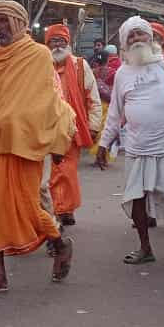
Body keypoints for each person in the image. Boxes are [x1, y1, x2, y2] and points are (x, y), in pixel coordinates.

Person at [0, 0, 76, 296]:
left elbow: (46, 101)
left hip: (26, 143)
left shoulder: (38, 54)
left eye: (5, 20)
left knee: (28, 207)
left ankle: (58, 242)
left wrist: (21, 123)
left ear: (19, 22)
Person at [96, 17, 164, 263]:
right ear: (125, 43)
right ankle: (145, 248)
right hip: (136, 146)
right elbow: (116, 113)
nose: (137, 39)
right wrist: (103, 144)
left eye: (141, 34)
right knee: (136, 198)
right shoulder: (122, 73)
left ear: (151, 39)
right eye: (132, 36)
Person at [46, 23, 102, 226]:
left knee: (66, 171)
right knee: (51, 172)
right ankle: (58, 209)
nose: (58, 45)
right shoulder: (41, 64)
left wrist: (94, 125)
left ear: (68, 43)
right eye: (54, 41)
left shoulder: (80, 65)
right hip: (47, 128)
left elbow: (92, 96)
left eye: (62, 41)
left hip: (72, 128)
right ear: (47, 43)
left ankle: (63, 209)